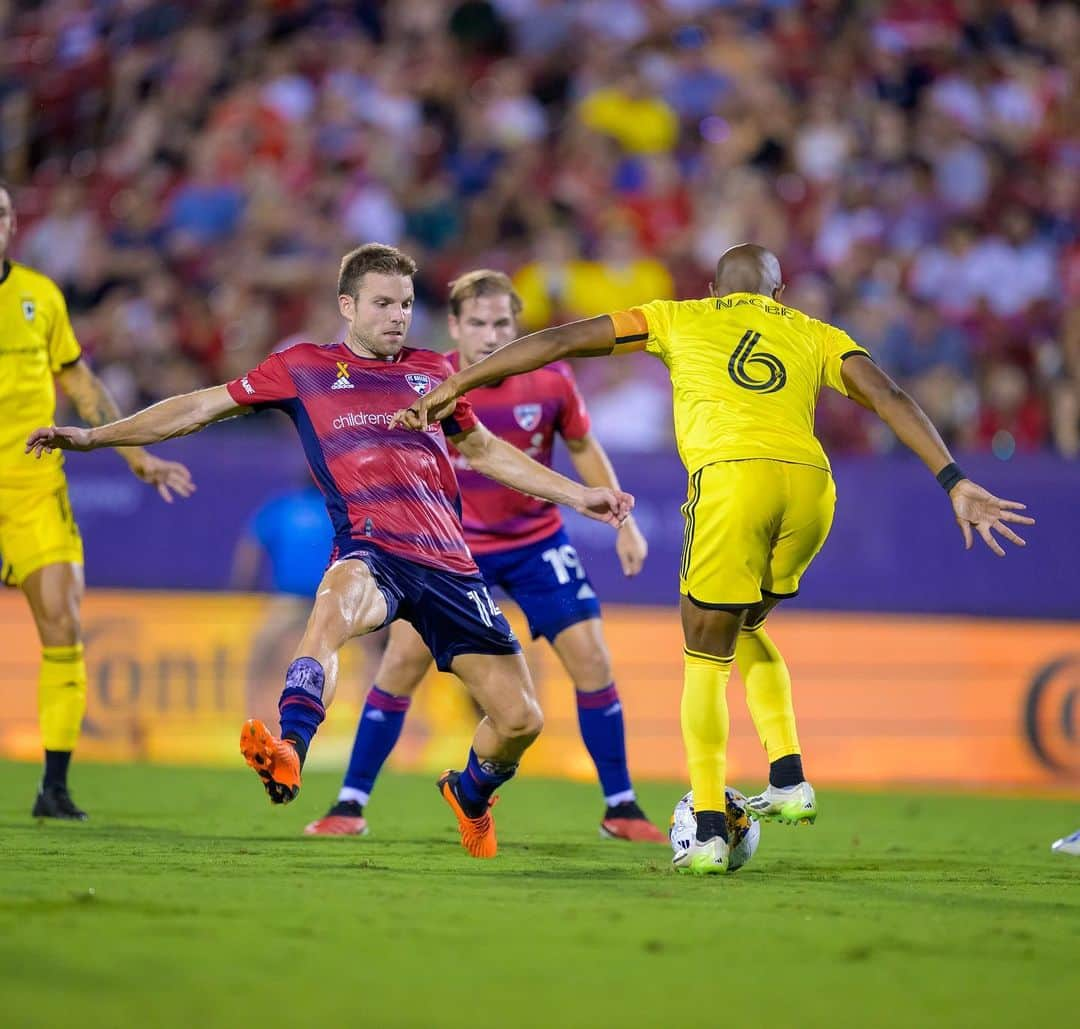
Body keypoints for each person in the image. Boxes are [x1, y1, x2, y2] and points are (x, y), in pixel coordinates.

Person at [393, 243, 1034, 875]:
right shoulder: (816, 332)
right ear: (778, 295)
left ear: (713, 291)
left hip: (733, 481)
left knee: (704, 652)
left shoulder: (679, 316)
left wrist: (459, 380)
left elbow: (559, 342)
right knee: (747, 624)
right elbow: (889, 395)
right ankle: (787, 777)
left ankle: (704, 826)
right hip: (812, 488)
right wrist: (954, 479)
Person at [27, 243, 634, 860]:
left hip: (451, 564)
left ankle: (471, 793)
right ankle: (291, 747)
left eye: (405, 304)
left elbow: (483, 451)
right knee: (333, 608)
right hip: (372, 550)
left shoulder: (432, 374)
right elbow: (198, 407)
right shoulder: (303, 367)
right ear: (347, 306)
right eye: (382, 304)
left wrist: (579, 495)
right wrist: (96, 436)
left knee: (520, 720)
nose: (398, 316)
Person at [305, 269, 664, 843]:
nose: (491, 335)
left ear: (517, 326)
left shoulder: (551, 382)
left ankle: (621, 807)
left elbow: (582, 446)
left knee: (593, 660)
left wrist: (625, 523)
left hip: (536, 541)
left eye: (502, 323)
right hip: (451, 547)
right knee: (400, 665)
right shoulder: (428, 379)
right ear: (455, 325)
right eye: (478, 323)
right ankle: (350, 802)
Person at [0, 180, 193, 821]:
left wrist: (136, 455)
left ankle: (53, 788)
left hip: (31, 484)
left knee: (63, 622)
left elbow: (79, 383)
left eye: (2, 214)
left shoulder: (39, 296)